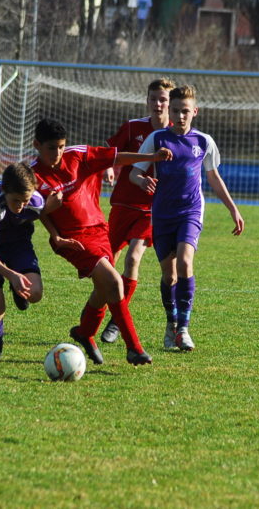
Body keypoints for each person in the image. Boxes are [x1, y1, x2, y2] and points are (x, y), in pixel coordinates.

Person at [31, 118, 172, 366]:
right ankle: (134, 348)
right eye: (51, 148)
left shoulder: (78, 156)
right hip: (73, 240)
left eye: (61, 146)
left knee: (103, 288)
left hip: (99, 230)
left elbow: (116, 157)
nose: (58, 153)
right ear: (37, 145)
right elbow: (33, 210)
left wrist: (151, 157)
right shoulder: (32, 175)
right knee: (114, 282)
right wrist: (54, 233)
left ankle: (84, 332)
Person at [130, 85, 244, 351]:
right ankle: (171, 324)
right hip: (162, 214)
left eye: (185, 111)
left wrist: (233, 209)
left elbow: (213, 177)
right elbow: (135, 172)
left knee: (184, 262)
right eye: (176, 111)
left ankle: (183, 328)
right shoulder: (157, 138)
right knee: (169, 276)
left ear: (195, 111)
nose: (180, 116)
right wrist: (142, 180)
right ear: (169, 111)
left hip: (190, 211)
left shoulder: (204, 141)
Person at [99, 77, 174, 346]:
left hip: (150, 210)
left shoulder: (177, 135)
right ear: (147, 101)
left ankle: (116, 321)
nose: (158, 104)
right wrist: (109, 167)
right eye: (154, 99)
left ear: (170, 103)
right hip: (122, 205)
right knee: (106, 264)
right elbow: (111, 152)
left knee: (133, 259)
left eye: (163, 99)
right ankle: (93, 318)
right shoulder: (133, 127)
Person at [0, 162, 61, 364]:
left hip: (18, 241)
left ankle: (16, 288)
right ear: (4, 190)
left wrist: (54, 230)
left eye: (25, 201)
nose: (20, 206)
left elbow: (40, 212)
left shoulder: (36, 200)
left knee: (35, 293)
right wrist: (11, 274)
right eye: (16, 201)